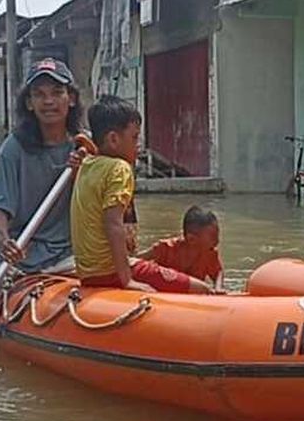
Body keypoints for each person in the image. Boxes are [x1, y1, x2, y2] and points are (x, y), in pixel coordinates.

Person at [0, 58, 85, 345]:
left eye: (57, 93)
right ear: (29, 104)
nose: (49, 102)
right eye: (39, 95)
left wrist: (85, 172)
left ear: (71, 99)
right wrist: (4, 241)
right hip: (22, 252)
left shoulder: (84, 147)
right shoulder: (13, 148)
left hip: (70, 252)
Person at [72, 96, 217, 294]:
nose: (138, 144)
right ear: (114, 139)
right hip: (113, 271)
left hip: (88, 274)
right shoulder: (119, 169)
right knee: (202, 288)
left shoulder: (87, 165)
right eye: (134, 137)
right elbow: (112, 224)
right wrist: (127, 280)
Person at [136, 205, 224, 291]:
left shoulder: (209, 254)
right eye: (213, 237)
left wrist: (218, 288)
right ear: (191, 239)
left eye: (217, 235)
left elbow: (217, 273)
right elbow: (135, 261)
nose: (217, 240)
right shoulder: (165, 248)